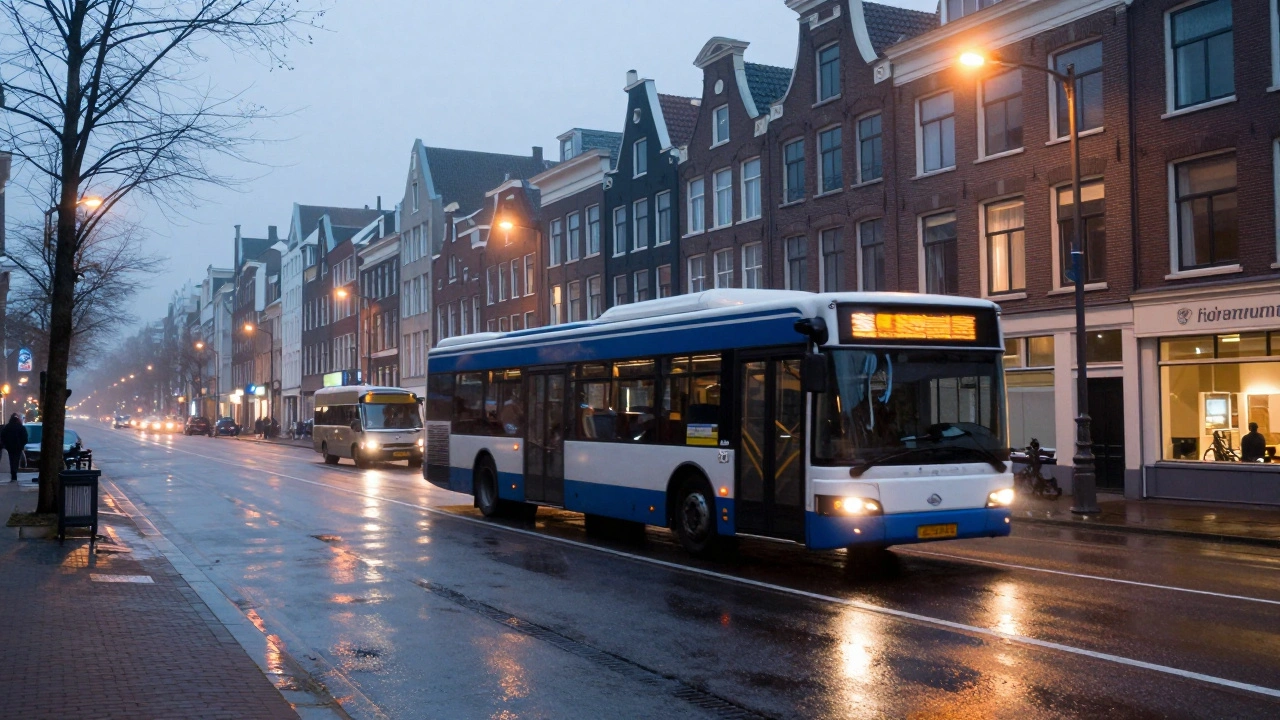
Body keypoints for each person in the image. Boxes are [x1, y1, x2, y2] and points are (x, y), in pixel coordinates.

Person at [2, 414, 28, 482]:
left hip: (10, 447)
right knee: (16, 459)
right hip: (18, 447)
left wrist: (5, 445)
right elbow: (25, 438)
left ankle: (13, 472)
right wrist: (22, 444)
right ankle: (15, 472)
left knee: (11, 459)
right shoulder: (21, 427)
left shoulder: (7, 427)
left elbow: (3, 436)